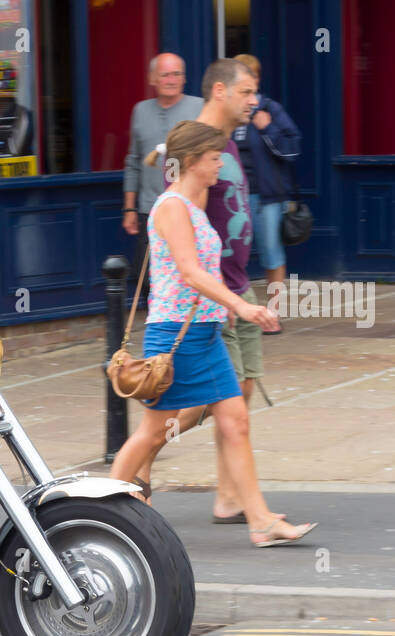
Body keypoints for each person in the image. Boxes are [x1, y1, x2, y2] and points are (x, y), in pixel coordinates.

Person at [108, 121, 316, 548]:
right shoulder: (171, 208)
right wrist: (238, 304)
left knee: (235, 421)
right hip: (173, 339)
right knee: (153, 432)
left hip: (205, 334)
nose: (221, 162)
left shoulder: (195, 207)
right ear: (194, 162)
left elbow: (204, 273)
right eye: (215, 157)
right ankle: (101, 510)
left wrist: (223, 310)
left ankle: (260, 521)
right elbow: (189, 271)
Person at [133, 59, 270, 523]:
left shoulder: (225, 145)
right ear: (220, 91)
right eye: (247, 92)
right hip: (204, 304)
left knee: (238, 398)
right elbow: (188, 247)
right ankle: (132, 480)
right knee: (194, 409)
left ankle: (234, 499)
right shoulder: (199, 148)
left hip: (231, 293)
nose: (254, 101)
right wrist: (228, 300)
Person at [123, 53, 204, 293]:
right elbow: (133, 161)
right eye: (165, 74)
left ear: (184, 78)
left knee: (186, 274)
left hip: (190, 209)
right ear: (152, 79)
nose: (171, 79)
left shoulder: (199, 107)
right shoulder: (140, 110)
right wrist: (129, 208)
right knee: (147, 277)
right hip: (151, 209)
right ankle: (159, 326)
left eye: (177, 74)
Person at [232, 53, 301, 329]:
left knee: (271, 253)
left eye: (248, 75)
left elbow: (293, 147)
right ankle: (240, 312)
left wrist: (267, 127)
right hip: (233, 196)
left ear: (257, 79)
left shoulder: (270, 109)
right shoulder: (230, 112)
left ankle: (273, 314)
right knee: (235, 255)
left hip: (265, 196)